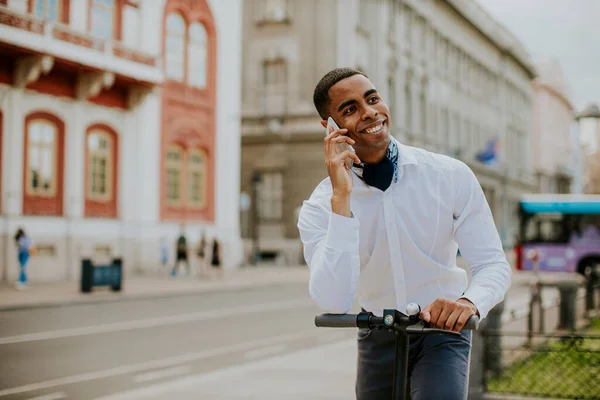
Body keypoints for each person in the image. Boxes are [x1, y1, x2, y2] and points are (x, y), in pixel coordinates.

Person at [297, 68, 511, 400]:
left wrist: (469, 302)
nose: (369, 112)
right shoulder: (319, 206)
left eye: (372, 99)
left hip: (443, 331)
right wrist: (342, 200)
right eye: (350, 109)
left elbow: (493, 265)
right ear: (330, 127)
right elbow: (333, 301)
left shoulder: (449, 176)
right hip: (376, 336)